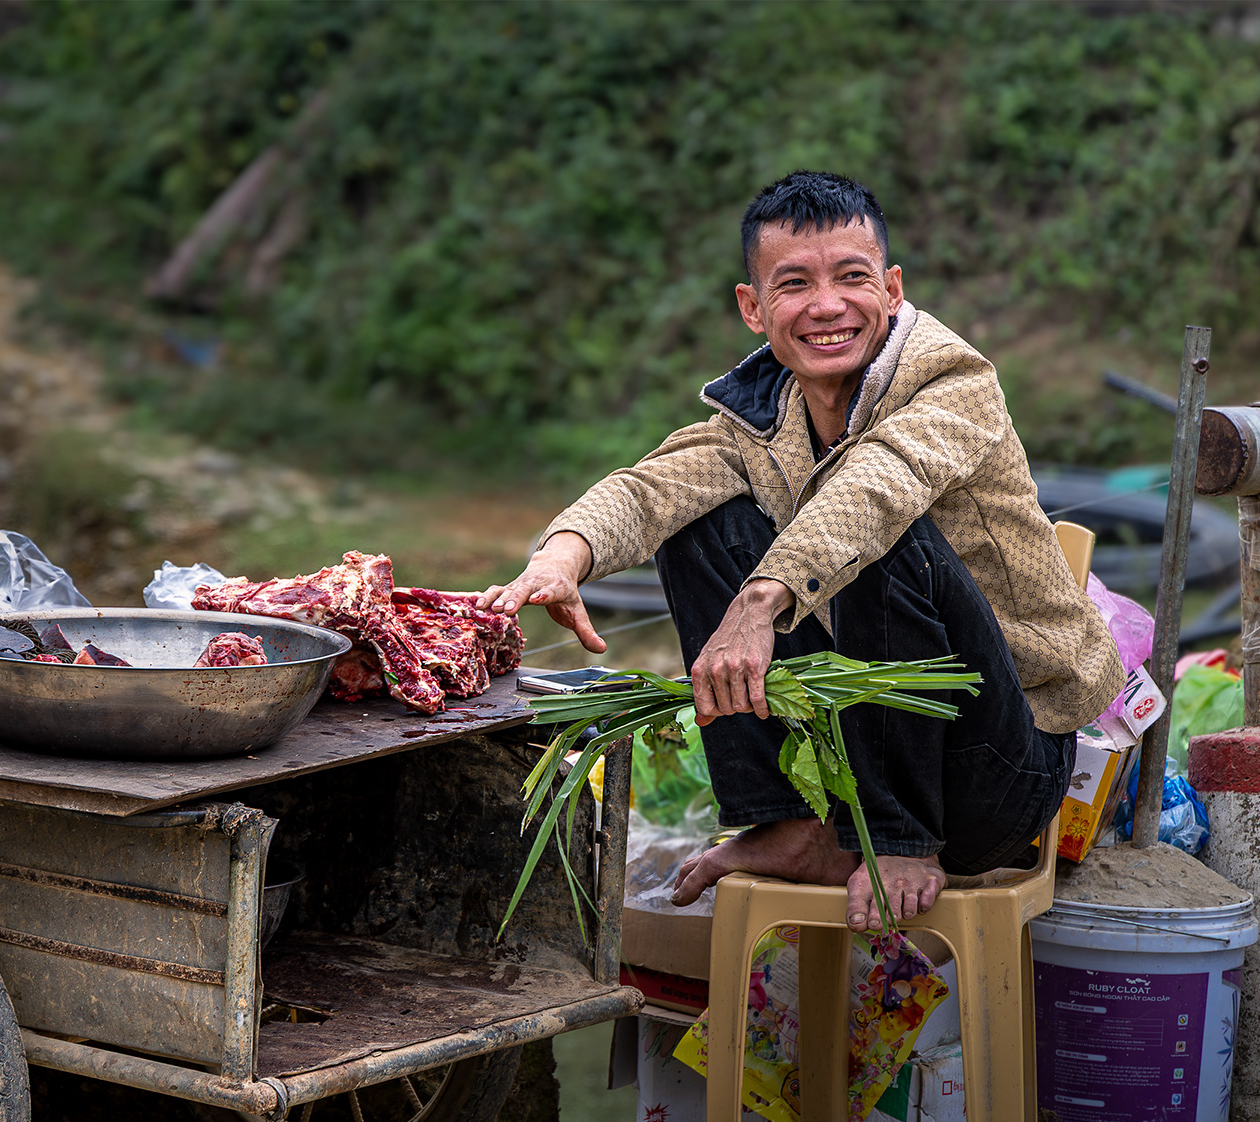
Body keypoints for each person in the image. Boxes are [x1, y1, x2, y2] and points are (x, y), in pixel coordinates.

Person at [482, 171, 1125, 930]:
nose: (827, 306)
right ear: (754, 308)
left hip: (1000, 767)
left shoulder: (953, 379)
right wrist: (561, 556)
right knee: (699, 522)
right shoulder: (766, 410)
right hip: (865, 758)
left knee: (875, 537)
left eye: (851, 277)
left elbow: (880, 486)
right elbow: (652, 488)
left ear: (890, 289)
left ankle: (901, 841)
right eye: (794, 284)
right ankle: (787, 823)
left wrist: (760, 602)